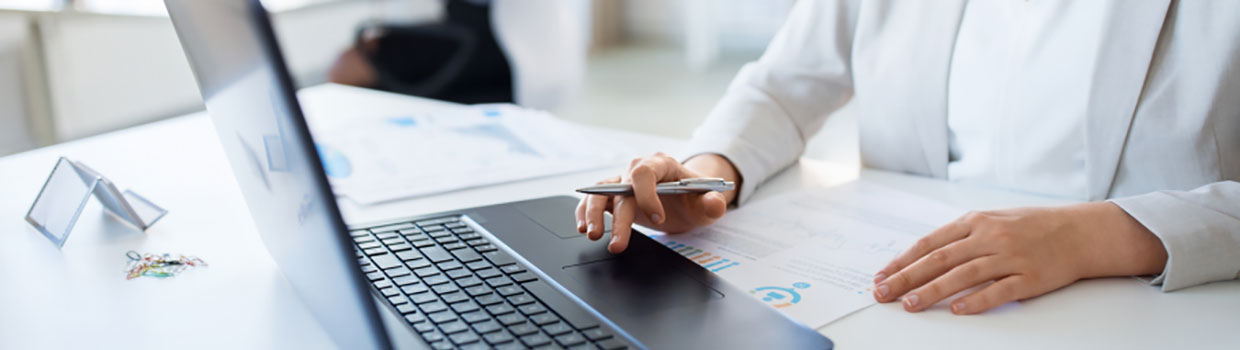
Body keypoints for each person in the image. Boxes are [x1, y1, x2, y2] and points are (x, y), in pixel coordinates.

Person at [575, 0, 1240, 315]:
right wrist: (707, 174)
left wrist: (1100, 235)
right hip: (910, 312)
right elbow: (783, 86)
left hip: (1148, 314)